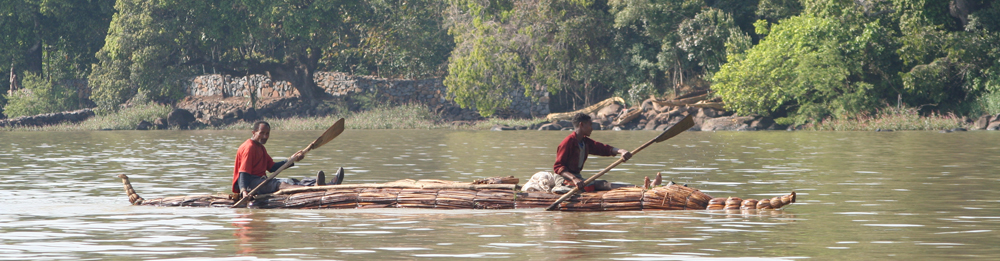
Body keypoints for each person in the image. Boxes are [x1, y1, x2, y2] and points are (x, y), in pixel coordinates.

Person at [231, 121, 343, 198]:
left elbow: (272, 167)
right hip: (250, 183)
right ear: (253, 133)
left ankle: (325, 184)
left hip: (260, 180)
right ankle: (311, 189)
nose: (265, 136)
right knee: (280, 184)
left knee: (292, 181)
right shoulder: (249, 147)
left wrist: (292, 159)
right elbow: (243, 173)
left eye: (267, 134)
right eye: (262, 133)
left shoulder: (261, 148)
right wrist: (244, 191)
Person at [552, 113, 632, 192]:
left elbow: (602, 148)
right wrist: (574, 179)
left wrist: (620, 151)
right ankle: (559, 188)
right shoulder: (567, 142)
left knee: (603, 183)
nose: (592, 128)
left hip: (577, 177)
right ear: (582, 125)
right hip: (563, 178)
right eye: (590, 125)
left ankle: (633, 187)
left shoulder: (585, 142)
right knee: (596, 185)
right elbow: (558, 167)